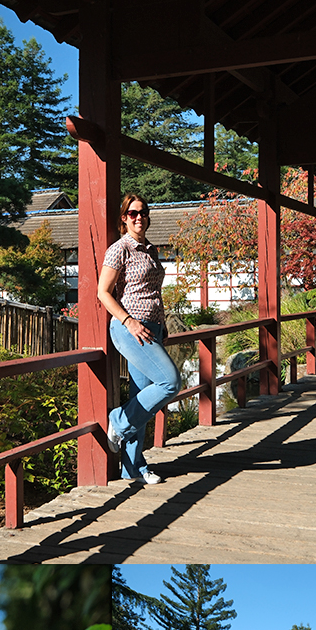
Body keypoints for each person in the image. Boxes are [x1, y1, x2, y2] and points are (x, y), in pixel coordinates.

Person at [98, 194, 181, 486]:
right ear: (124, 218)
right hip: (130, 328)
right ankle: (118, 420)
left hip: (152, 329)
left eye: (143, 212)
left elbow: (153, 291)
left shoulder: (150, 250)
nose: (139, 217)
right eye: (132, 213)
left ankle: (133, 468)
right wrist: (129, 321)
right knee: (170, 382)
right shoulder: (119, 249)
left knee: (143, 398)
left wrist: (162, 324)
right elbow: (103, 292)